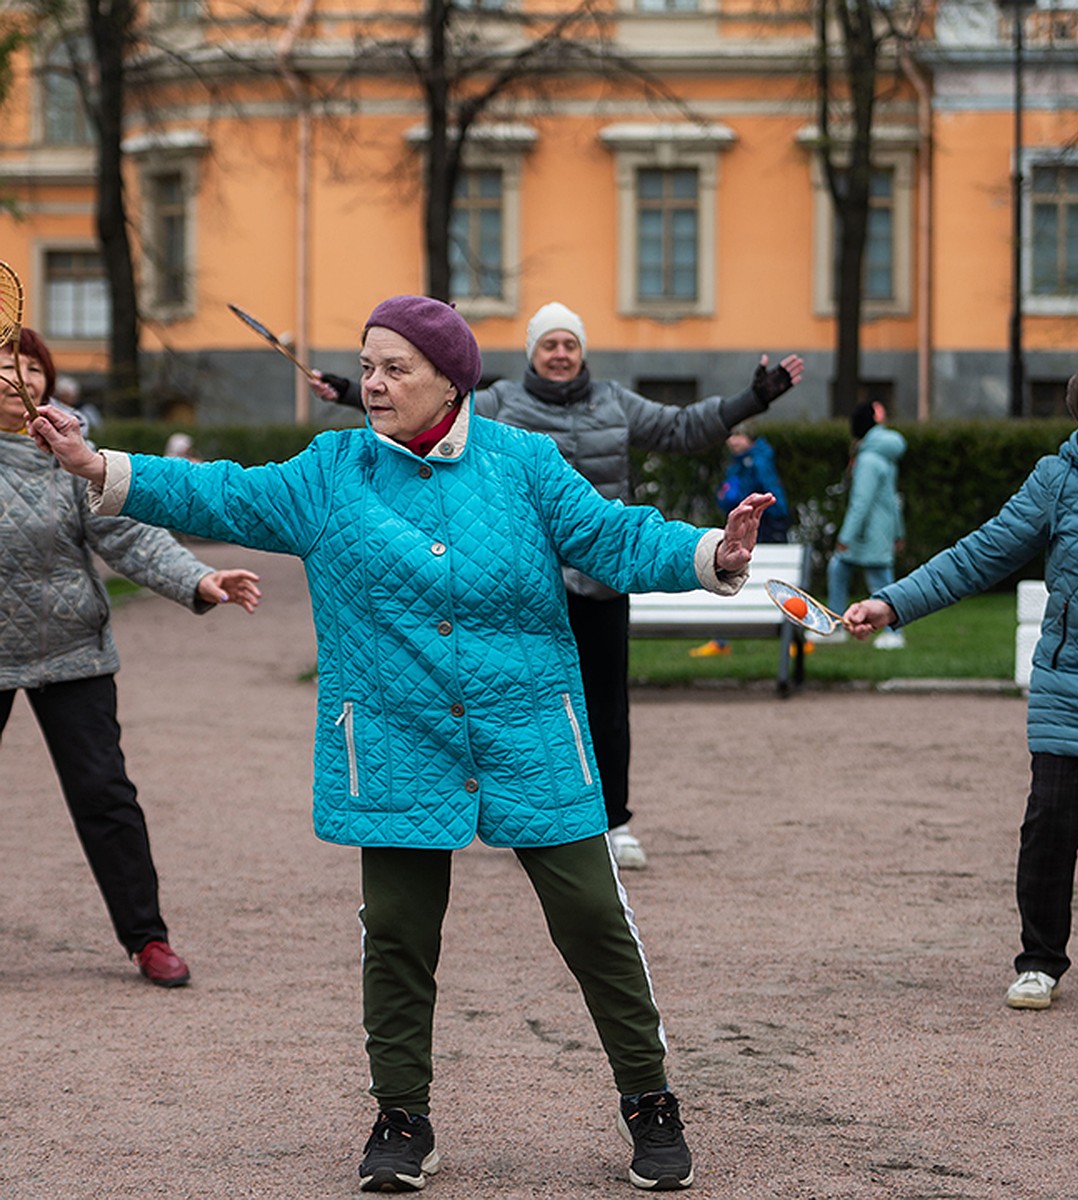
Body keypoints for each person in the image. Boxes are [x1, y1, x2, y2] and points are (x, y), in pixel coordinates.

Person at [34, 295, 779, 1193]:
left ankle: (650, 1103)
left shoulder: (525, 464)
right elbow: (216, 489)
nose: (374, 384)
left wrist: (712, 555)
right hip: (392, 738)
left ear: (450, 378)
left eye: (395, 368)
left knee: (592, 919)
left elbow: (614, 538)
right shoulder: (329, 470)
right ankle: (401, 1118)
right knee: (395, 932)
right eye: (369, 365)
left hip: (530, 727)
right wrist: (95, 462)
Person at [313, 302, 803, 870]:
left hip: (599, 578)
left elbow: (681, 427)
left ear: (582, 352)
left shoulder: (614, 401)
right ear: (532, 353)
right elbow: (423, 400)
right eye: (550, 344)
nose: (561, 353)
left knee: (607, 707)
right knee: (522, 706)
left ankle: (612, 821)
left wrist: (754, 400)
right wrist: (358, 389)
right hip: (526, 585)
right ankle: (523, 819)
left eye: (570, 344)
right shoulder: (500, 404)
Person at [843, 351, 1078, 1011]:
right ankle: (1040, 962)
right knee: (1050, 828)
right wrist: (893, 604)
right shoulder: (1055, 482)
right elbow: (979, 554)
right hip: (1075, 683)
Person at [0, 328, 262, 987]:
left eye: (34, 367)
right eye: (7, 364)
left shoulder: (68, 455)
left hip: (71, 651)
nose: (21, 378)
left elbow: (133, 537)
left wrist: (198, 580)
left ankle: (148, 938)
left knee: (105, 796)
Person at [689, 422, 791, 658]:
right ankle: (721, 639)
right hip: (745, 525)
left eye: (738, 435)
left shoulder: (756, 460)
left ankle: (794, 635)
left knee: (778, 578)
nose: (732, 441)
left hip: (765, 526)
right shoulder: (738, 462)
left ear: (750, 438)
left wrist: (774, 521)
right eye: (730, 436)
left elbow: (770, 495)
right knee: (731, 576)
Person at [824, 399, 906, 648]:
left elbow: (861, 502)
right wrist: (898, 531)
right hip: (879, 530)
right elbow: (892, 500)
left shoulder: (868, 458)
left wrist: (845, 537)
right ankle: (836, 626)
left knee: (878, 581)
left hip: (866, 533)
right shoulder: (883, 454)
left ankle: (894, 634)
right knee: (843, 571)